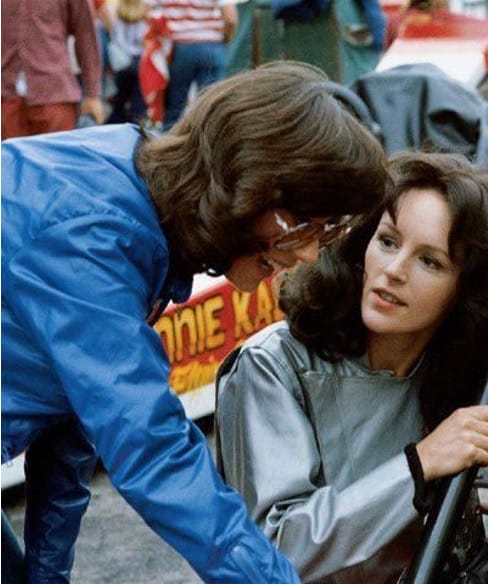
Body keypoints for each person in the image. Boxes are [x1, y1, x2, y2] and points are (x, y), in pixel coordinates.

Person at [1, 61, 387, 583]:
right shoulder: (94, 236)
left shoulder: (133, 182)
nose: (311, 255)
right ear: (252, 187)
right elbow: (153, 452)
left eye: (330, 233)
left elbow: (71, 429)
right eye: (309, 227)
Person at [217, 152, 488, 584]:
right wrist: (418, 466)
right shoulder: (272, 366)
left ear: (465, 292)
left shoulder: (466, 368)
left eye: (430, 261)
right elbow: (273, 548)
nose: (394, 271)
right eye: (388, 241)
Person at [1, 0, 105, 139]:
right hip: (7, 95)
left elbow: (86, 34)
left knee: (55, 158)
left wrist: (92, 93)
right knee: (8, 159)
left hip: (55, 95)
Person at [144, 0, 241, 129]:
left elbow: (146, 10)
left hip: (179, 47)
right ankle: (209, 144)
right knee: (211, 107)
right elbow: (230, 19)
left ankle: (166, 143)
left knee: (174, 107)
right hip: (211, 45)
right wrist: (226, 39)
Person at [105, 0, 149, 124]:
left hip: (121, 64)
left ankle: (113, 126)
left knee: (119, 101)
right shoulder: (144, 20)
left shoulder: (117, 17)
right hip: (138, 63)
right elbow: (145, 42)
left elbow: (114, 38)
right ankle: (136, 130)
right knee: (138, 105)